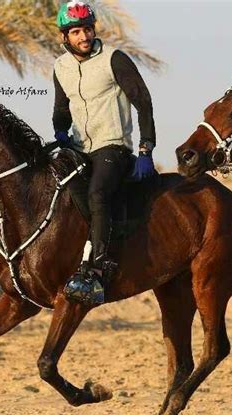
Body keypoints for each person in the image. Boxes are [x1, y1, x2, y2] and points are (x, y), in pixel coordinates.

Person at [54, 1, 156, 304]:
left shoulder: (114, 59)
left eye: (87, 29)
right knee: (50, 184)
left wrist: (146, 147)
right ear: (65, 37)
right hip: (78, 146)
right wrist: (60, 130)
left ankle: (98, 271)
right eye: (76, 32)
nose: (83, 36)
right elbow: (62, 107)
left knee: (98, 194)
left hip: (112, 146)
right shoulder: (61, 67)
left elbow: (143, 101)